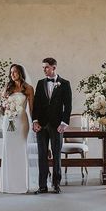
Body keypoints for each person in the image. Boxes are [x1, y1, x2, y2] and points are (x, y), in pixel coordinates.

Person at [32, 57, 72, 194]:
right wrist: (35, 121)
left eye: (46, 67)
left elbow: (68, 106)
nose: (44, 70)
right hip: (41, 125)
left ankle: (56, 184)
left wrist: (64, 123)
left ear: (54, 67)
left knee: (56, 155)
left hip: (57, 125)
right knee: (42, 155)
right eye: (43, 67)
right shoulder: (40, 83)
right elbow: (36, 104)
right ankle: (42, 186)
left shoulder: (65, 84)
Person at [0, 64, 34, 194]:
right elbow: (1, 108)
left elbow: (32, 109)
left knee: (20, 150)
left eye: (15, 72)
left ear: (21, 73)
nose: (12, 74)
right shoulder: (8, 88)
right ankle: (8, 185)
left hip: (22, 122)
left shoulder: (28, 88)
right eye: (11, 72)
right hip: (8, 122)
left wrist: (35, 122)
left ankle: (21, 185)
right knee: (8, 150)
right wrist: (5, 108)